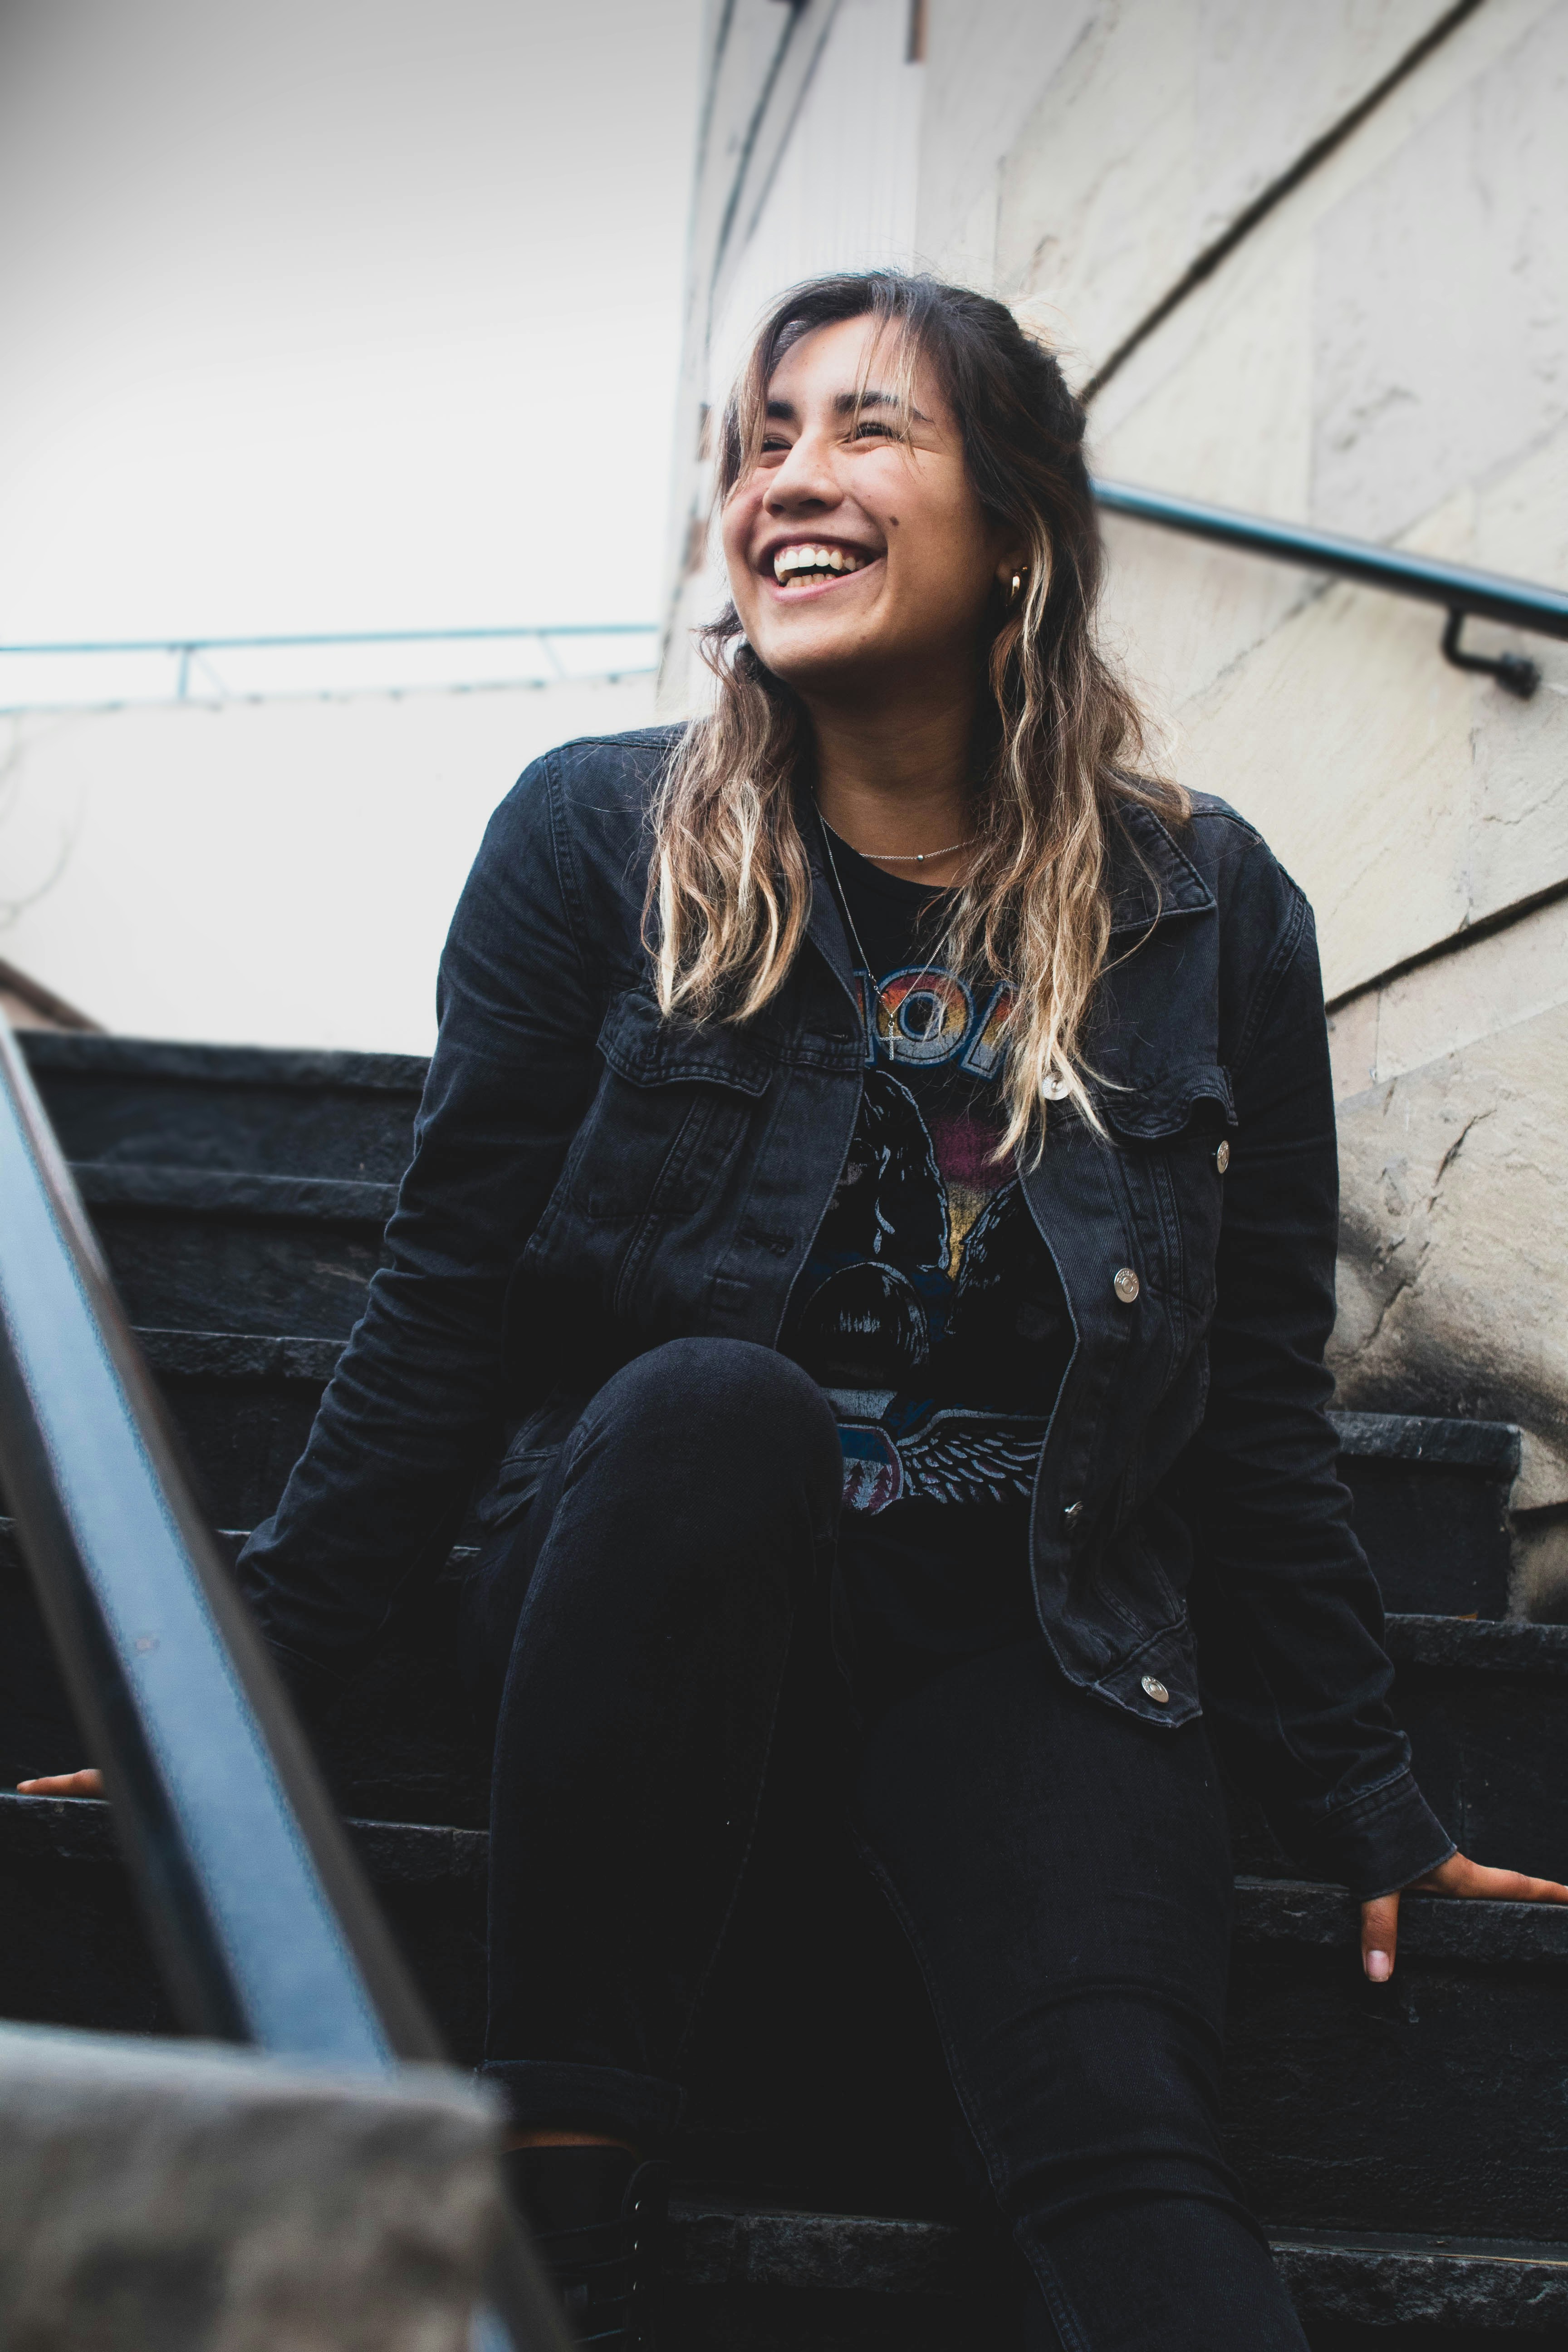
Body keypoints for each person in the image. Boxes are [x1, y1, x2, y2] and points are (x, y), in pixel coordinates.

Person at [23, 270, 1568, 2348]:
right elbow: (446, 1299)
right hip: (653, 1576)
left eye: (864, 429)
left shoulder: (1210, 907)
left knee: (1138, 2171)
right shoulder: (600, 837)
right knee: (705, 1414)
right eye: (761, 442)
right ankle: (554, 2189)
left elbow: (1258, 1405)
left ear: (1017, 523)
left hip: (1034, 1627)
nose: (791, 483)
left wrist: (1372, 1807)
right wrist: (242, 1703)